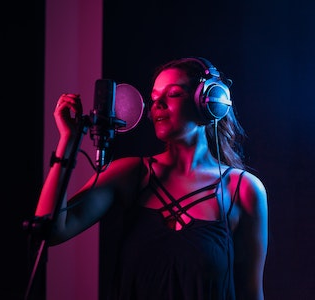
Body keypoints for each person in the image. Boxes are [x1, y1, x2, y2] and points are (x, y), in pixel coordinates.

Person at [34, 57, 268, 300]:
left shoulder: (243, 189)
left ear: (209, 101)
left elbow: (251, 293)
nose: (158, 105)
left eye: (173, 94)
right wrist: (67, 142)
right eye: (155, 98)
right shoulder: (129, 174)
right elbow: (50, 232)